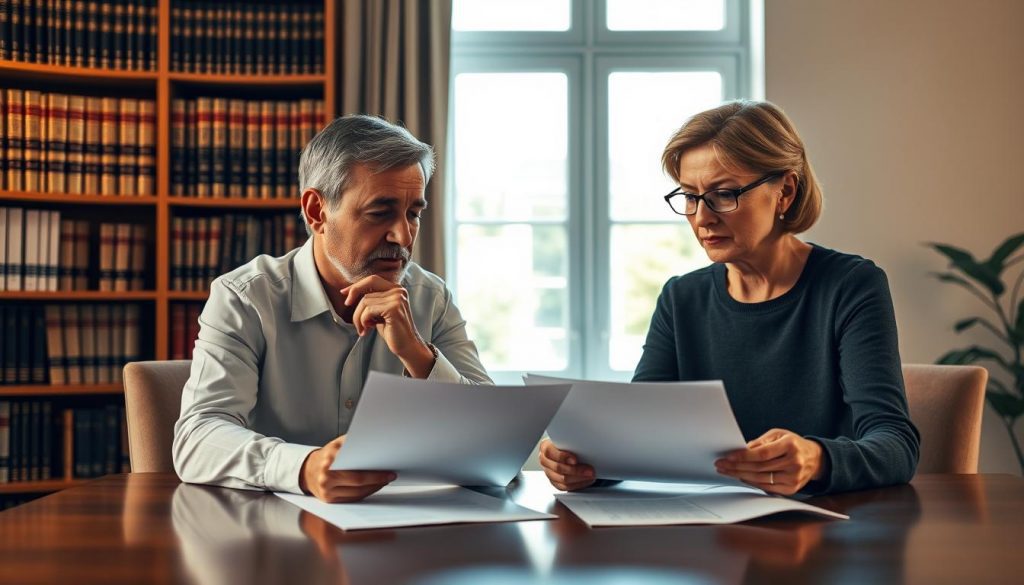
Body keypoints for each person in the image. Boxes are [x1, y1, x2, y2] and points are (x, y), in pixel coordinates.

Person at [539, 100, 919, 495]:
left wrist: (816, 459)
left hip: (821, 529)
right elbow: (643, 435)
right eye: (690, 196)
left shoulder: (851, 286)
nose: (702, 218)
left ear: (785, 191)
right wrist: (587, 463)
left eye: (723, 194)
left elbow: (895, 445)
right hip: (707, 532)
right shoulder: (680, 298)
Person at [173, 115, 492, 503]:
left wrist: (418, 355)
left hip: (404, 536)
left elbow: (493, 443)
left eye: (413, 213)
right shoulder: (245, 298)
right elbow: (198, 436)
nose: (403, 236)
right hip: (269, 539)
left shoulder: (431, 299)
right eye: (380, 212)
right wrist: (303, 467)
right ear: (316, 211)